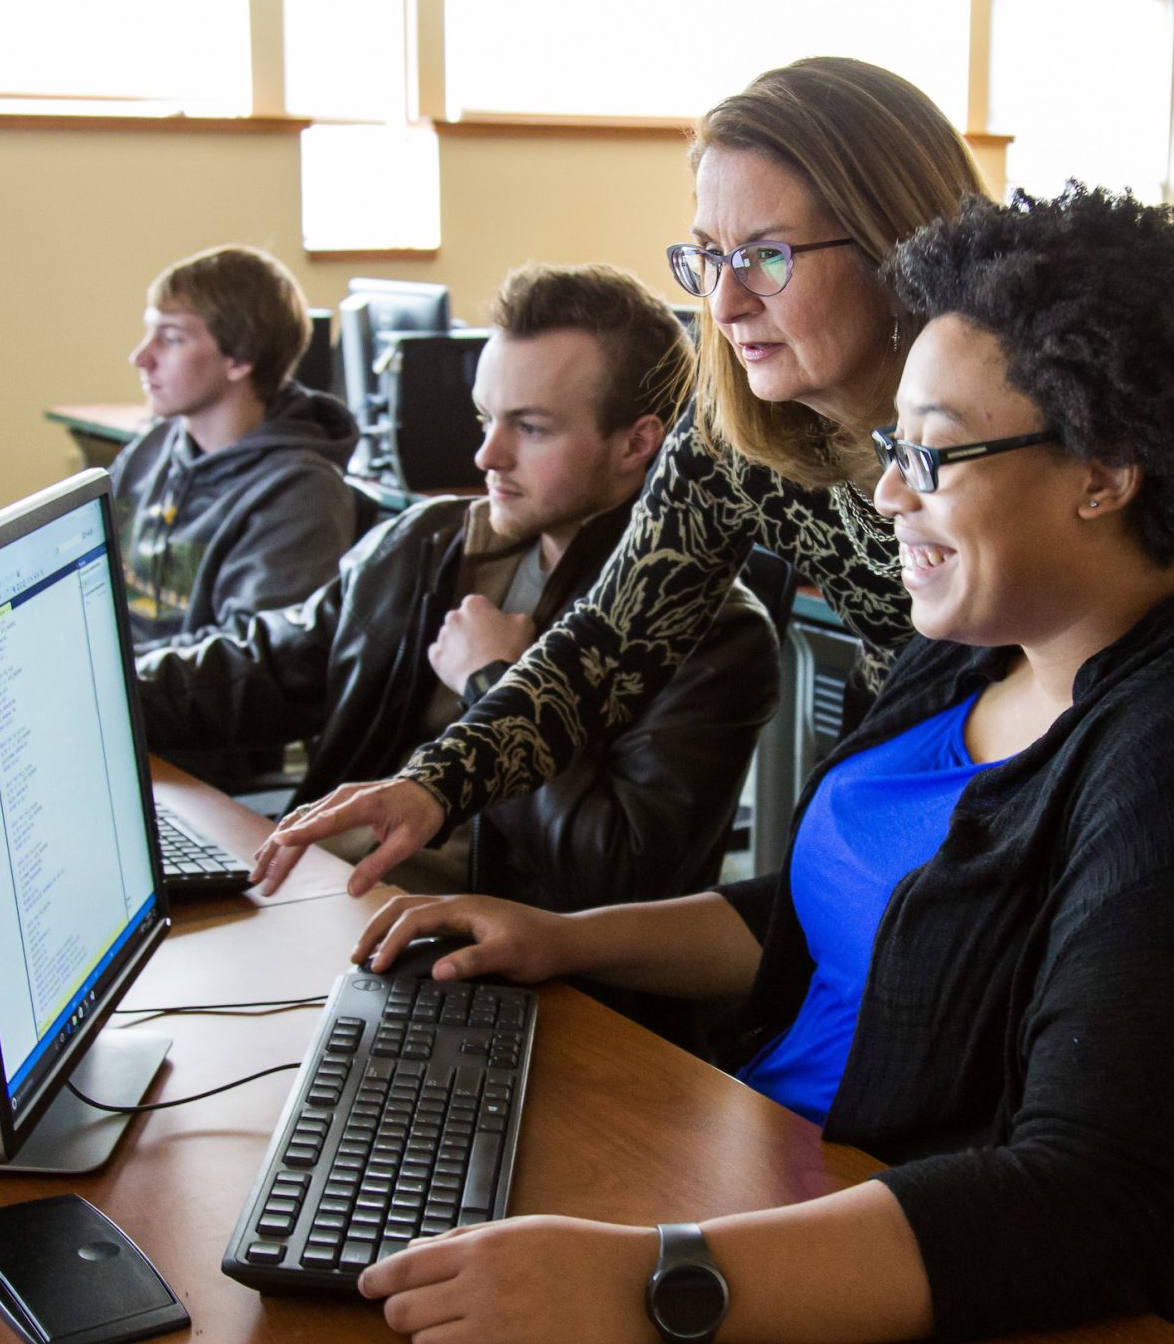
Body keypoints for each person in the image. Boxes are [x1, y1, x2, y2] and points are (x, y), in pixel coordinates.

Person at [342, 186, 1174, 1344]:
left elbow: (1093, 1205)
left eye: (932, 454)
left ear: (1105, 474)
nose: (888, 493)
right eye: (894, 448)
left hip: (916, 1302)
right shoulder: (979, 646)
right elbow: (842, 920)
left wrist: (648, 1280)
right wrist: (562, 940)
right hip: (767, 1195)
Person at [251, 57, 1174, 898]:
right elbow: (603, 648)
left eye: (769, 256)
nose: (724, 303)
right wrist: (434, 782)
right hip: (940, 781)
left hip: (1123, 785)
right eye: (707, 256)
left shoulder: (1039, 378)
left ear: (894, 236)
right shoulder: (735, 431)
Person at [136, 263, 778, 911]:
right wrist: (104, 693)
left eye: (530, 428)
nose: (486, 456)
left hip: (495, 963)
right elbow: (262, 664)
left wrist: (491, 679)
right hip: (325, 895)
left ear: (638, 442)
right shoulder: (429, 544)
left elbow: (618, 875)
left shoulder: (713, 631)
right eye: (485, 419)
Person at [113, 244, 359, 652]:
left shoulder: (300, 494)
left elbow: (248, 662)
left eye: (171, 338)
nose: (141, 357)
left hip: (177, 706)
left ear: (240, 358)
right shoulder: (151, 450)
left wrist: (116, 673)